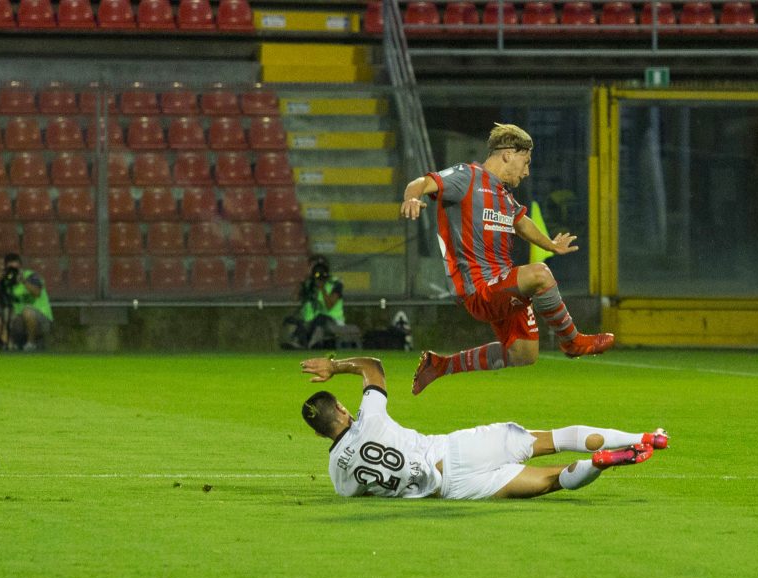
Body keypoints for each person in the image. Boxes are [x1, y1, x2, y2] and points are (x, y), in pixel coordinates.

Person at [400, 122, 614, 395]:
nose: (526, 171)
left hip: (501, 285)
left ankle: (440, 365)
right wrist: (411, 197)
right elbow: (422, 182)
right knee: (540, 274)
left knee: (524, 354)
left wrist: (550, 245)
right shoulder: (467, 177)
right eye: (525, 162)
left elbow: (521, 223)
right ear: (508, 153)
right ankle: (572, 342)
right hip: (479, 289)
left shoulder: (502, 195)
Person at [299, 355, 669, 500]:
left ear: (318, 434)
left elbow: (360, 492)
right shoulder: (371, 418)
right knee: (554, 439)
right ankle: (646, 437)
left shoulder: (338, 475)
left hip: (454, 489)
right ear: (344, 410)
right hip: (457, 450)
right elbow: (373, 367)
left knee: (551, 480)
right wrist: (334, 365)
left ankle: (598, 463)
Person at [282, 256, 358, 350]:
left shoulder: (335, 283)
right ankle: (296, 342)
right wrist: (304, 281)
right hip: (311, 321)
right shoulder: (309, 283)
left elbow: (329, 306)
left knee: (320, 319)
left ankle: (310, 343)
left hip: (333, 321)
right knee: (296, 321)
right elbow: (294, 298)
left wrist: (322, 288)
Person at [0, 253, 52, 352]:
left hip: (41, 319)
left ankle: (31, 344)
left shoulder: (31, 276)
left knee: (27, 311)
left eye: (15, 269)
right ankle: (11, 345)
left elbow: (37, 293)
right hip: (17, 320)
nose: (13, 272)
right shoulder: (6, 281)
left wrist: (23, 281)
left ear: (20, 267)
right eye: (10, 269)